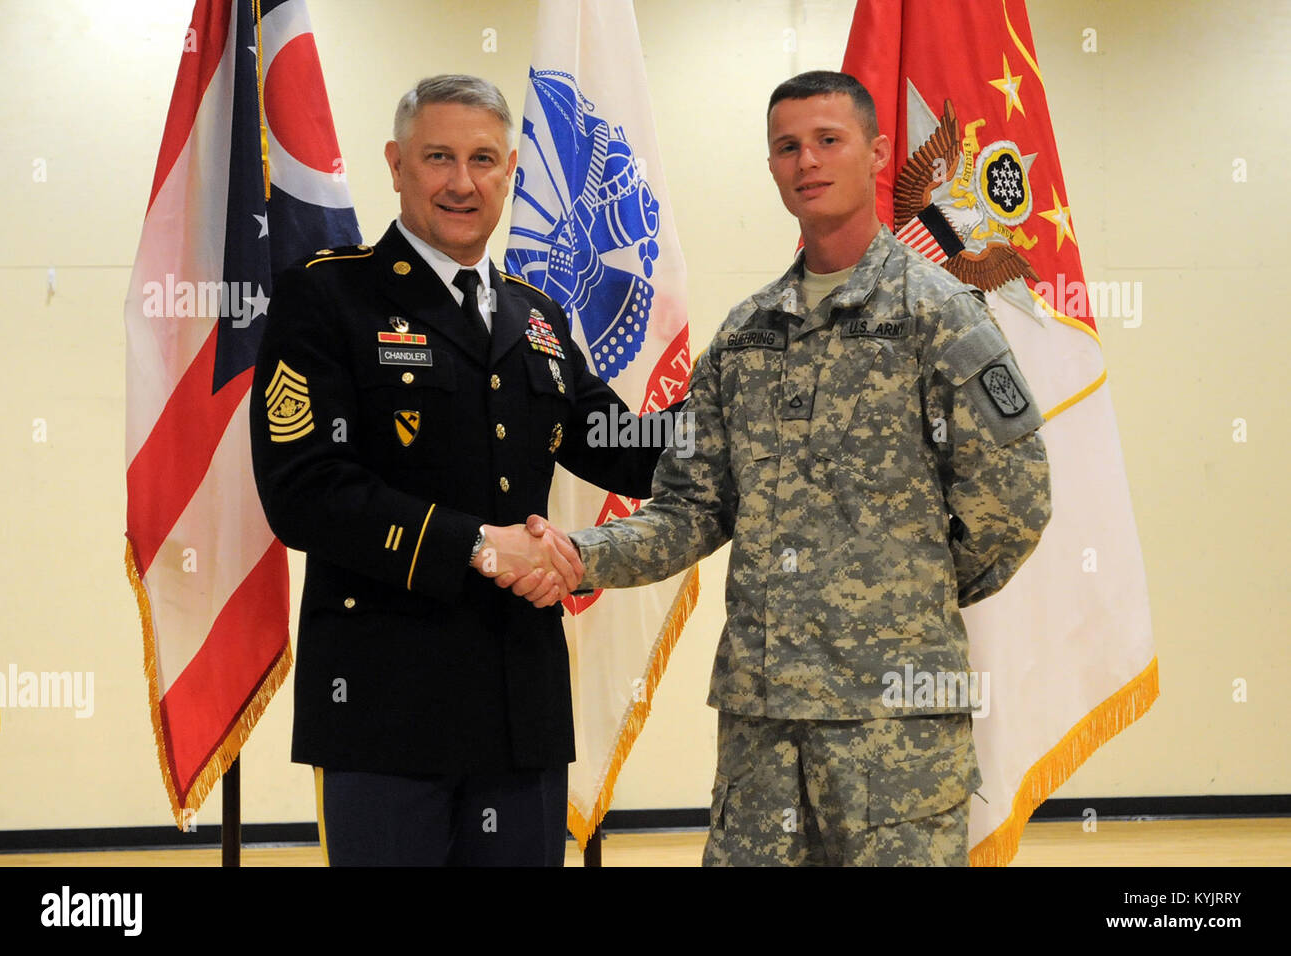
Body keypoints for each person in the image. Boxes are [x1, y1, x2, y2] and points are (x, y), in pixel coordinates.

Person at [490, 70, 1052, 866]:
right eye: (788, 146)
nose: (808, 161)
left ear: (877, 154)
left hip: (892, 725)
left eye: (830, 140)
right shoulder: (747, 335)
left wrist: (905, 593)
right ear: (772, 165)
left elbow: (1015, 501)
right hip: (762, 724)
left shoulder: (939, 313)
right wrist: (579, 557)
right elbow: (690, 508)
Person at [249, 74, 679, 866]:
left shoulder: (535, 315)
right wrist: (478, 544)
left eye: (483, 159)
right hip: (386, 708)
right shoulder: (327, 296)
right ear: (396, 164)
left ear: (510, 169)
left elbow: (622, 442)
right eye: (438, 156)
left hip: (522, 710)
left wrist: (751, 415)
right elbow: (304, 493)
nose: (461, 181)